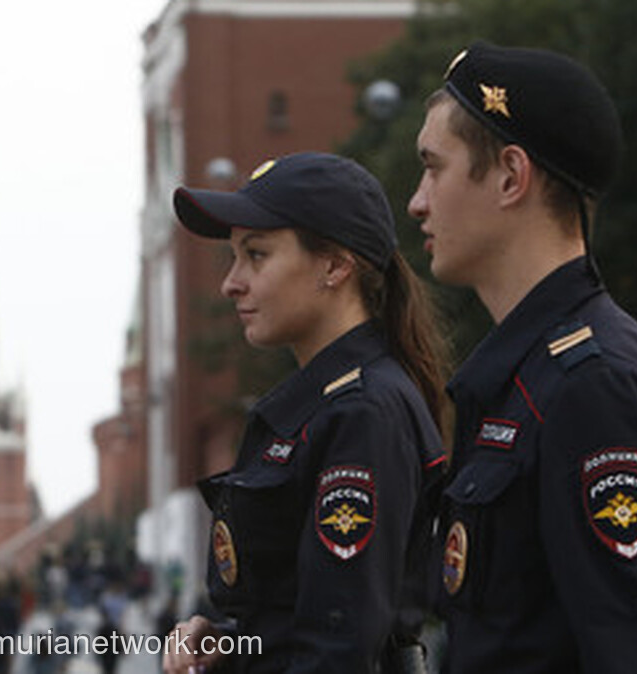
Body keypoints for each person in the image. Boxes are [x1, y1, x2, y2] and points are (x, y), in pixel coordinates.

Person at [408, 41, 637, 672]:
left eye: (433, 168)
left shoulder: (594, 385)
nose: (417, 201)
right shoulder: (526, 377)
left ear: (510, 176)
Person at [163, 151, 449, 673]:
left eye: (257, 255)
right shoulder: (323, 405)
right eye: (234, 257)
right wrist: (227, 643)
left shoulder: (362, 412)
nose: (232, 282)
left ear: (336, 265)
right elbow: (297, 619)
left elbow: (339, 647)